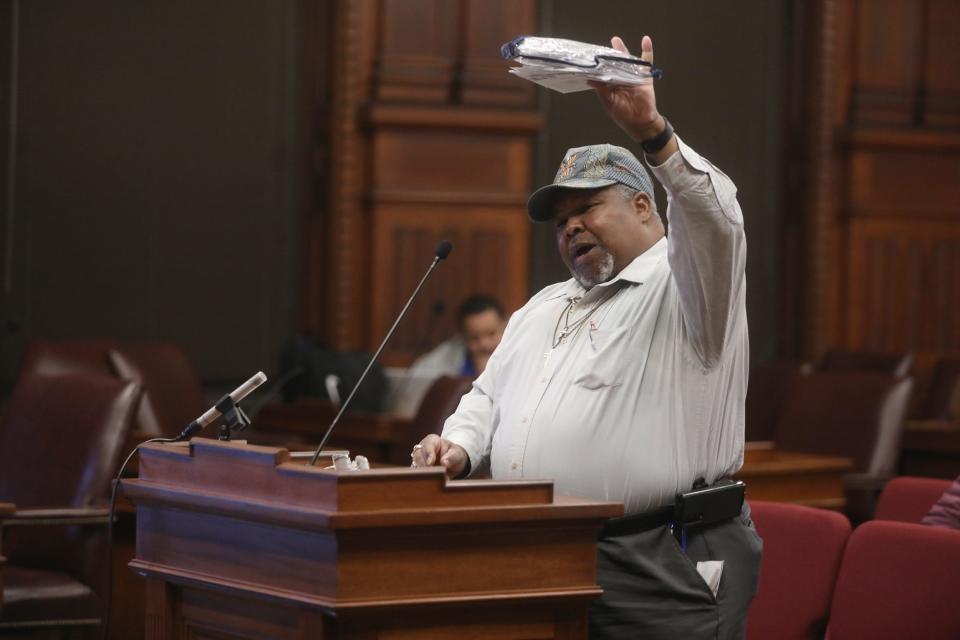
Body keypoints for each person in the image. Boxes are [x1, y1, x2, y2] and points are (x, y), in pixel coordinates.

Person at [412, 34, 761, 639]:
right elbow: (488, 397)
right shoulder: (546, 305)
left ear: (644, 208)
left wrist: (654, 135)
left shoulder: (689, 290)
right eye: (560, 219)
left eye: (588, 208)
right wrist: (460, 447)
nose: (570, 225)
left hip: (659, 556)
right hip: (546, 552)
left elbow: (715, 221)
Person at [408, 294, 506, 378]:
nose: (484, 344)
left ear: (504, 326)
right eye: (474, 338)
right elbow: (415, 378)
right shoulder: (448, 355)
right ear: (462, 336)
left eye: (491, 333)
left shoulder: (517, 351)